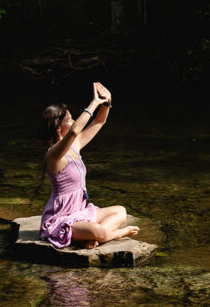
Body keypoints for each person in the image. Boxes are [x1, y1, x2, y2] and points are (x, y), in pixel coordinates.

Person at [37, 82, 140, 249]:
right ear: (58, 128)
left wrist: (106, 101)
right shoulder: (53, 155)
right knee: (99, 231)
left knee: (121, 211)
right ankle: (116, 234)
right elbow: (74, 131)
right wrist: (94, 102)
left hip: (79, 213)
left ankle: (88, 237)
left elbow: (99, 121)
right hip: (61, 219)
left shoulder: (74, 145)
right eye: (69, 119)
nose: (73, 121)